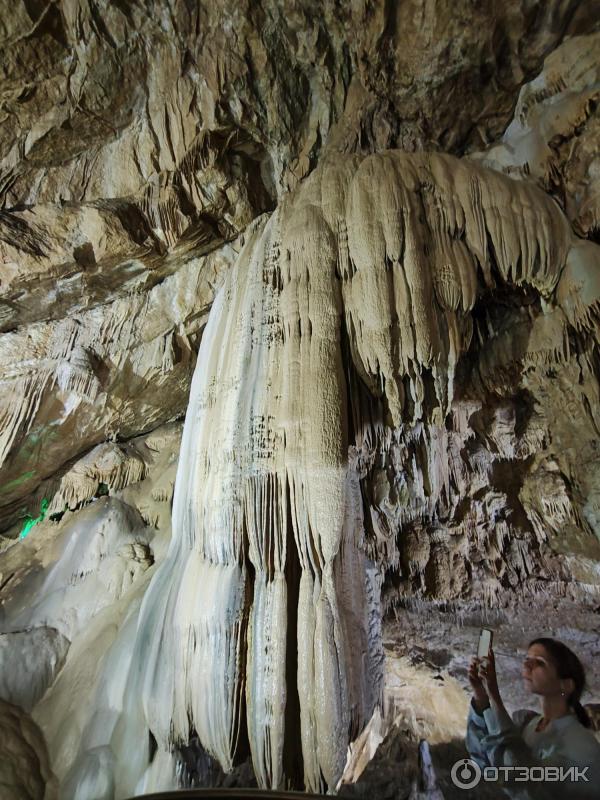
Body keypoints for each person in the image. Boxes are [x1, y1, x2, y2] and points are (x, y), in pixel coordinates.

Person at [465, 637, 600, 799]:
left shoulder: (580, 744)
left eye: (540, 662)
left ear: (566, 685)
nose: (527, 665)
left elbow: (523, 784)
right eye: (527, 659)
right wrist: (481, 697)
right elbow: (486, 764)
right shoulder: (526, 723)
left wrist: (494, 695)